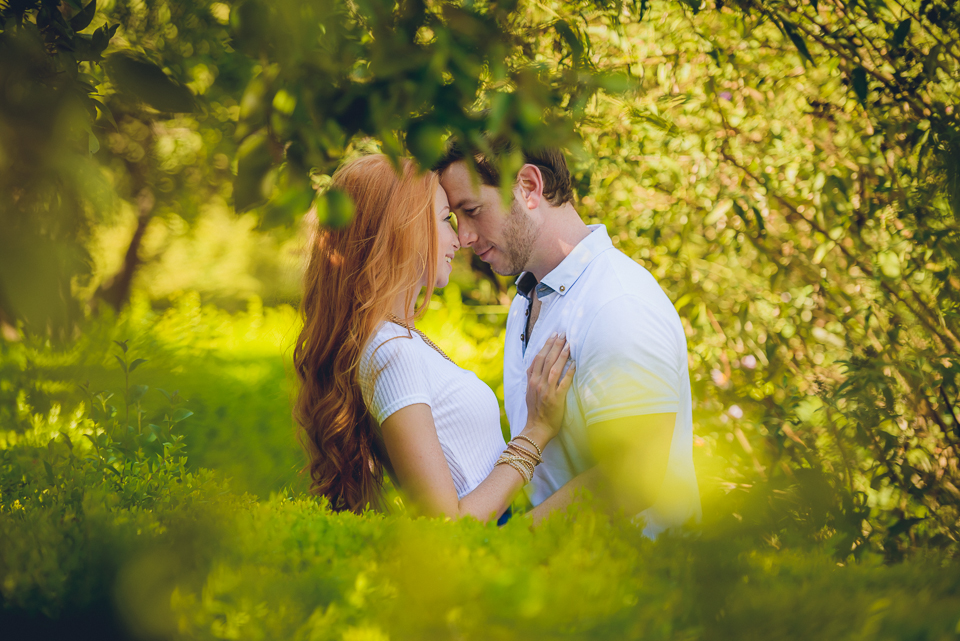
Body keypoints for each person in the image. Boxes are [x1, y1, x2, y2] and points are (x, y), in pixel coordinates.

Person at [435, 141, 701, 536]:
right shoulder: (526, 303)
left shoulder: (618, 303)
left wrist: (507, 547)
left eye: (472, 211)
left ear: (528, 186)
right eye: (456, 219)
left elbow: (633, 479)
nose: (467, 237)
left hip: (646, 582)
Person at [293, 153, 574, 522]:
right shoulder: (392, 351)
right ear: (401, 229)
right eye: (445, 219)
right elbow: (446, 524)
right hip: (482, 550)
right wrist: (536, 432)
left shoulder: (393, 339)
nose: (459, 237)